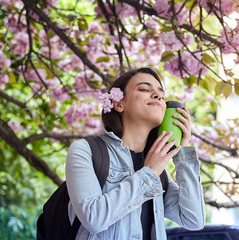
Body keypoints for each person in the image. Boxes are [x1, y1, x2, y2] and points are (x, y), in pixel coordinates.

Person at [65, 66, 206, 239]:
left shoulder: (158, 170)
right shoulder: (85, 150)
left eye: (161, 93)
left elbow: (193, 220)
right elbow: (94, 219)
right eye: (145, 89)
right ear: (118, 104)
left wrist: (182, 153)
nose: (158, 96)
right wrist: (149, 173)